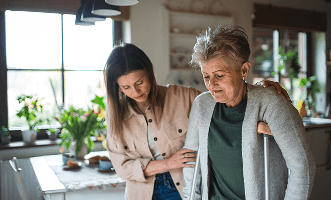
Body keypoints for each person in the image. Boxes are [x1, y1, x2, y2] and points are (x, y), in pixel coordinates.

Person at [104, 43, 290, 200]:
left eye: (139, 82)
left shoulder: (184, 97)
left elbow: (226, 101)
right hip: (142, 193)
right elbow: (122, 168)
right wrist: (168, 163)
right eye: (125, 87)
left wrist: (259, 91)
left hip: (184, 188)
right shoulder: (115, 117)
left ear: (150, 74)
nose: (135, 92)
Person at [182, 26, 316, 200]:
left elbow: (302, 166)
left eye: (219, 76)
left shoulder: (271, 103)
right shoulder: (202, 104)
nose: (211, 85)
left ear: (244, 70)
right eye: (206, 76)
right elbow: (191, 160)